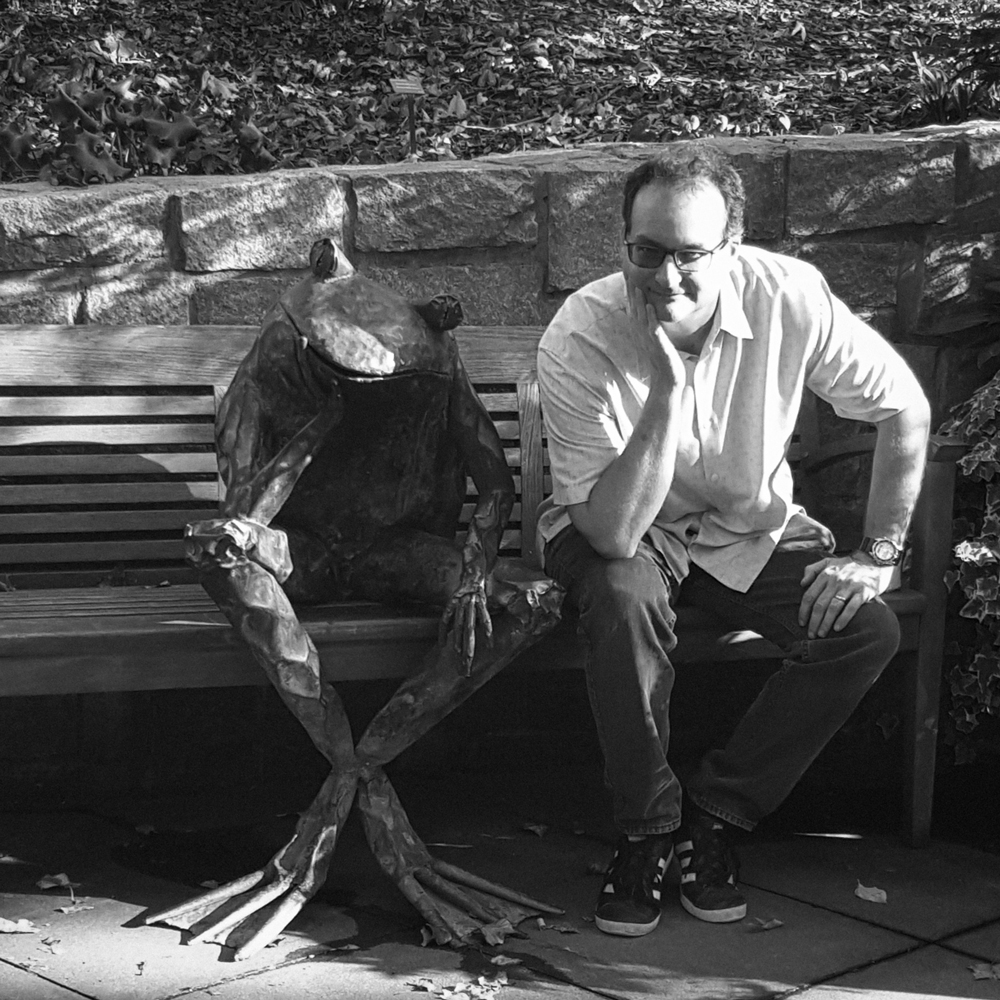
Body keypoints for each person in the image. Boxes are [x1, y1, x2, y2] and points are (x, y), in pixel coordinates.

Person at [536, 146, 931, 937]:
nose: (667, 277)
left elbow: (904, 411)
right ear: (625, 246)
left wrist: (878, 553)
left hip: (747, 527)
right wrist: (668, 393)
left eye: (691, 255)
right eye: (647, 253)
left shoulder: (791, 296)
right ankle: (646, 829)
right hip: (624, 529)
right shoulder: (582, 333)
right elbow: (610, 533)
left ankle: (714, 817)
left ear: (734, 249)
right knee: (622, 597)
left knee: (861, 630)